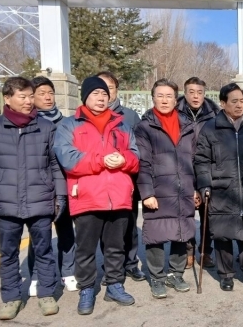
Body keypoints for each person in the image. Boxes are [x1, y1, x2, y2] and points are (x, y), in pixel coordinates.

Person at [0, 76, 65, 320]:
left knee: (44, 250)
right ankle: (11, 298)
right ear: (7, 98)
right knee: (9, 253)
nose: (28, 101)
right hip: (6, 203)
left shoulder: (45, 127)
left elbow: (55, 165)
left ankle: (46, 294)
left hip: (40, 200)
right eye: (22, 96)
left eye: (29, 96)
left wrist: (61, 196)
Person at [53, 76, 140, 315]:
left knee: (115, 247)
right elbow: (68, 158)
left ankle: (114, 285)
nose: (101, 98)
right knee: (86, 248)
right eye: (95, 94)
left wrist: (125, 159)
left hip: (119, 196)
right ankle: (87, 288)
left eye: (104, 94)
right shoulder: (70, 125)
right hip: (88, 196)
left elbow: (135, 156)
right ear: (85, 97)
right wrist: (100, 160)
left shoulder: (122, 125)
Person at [194, 83, 243, 293]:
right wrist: (204, 185)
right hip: (221, 189)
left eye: (241, 101)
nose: (239, 105)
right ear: (223, 103)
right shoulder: (210, 128)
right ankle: (226, 275)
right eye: (234, 101)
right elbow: (201, 160)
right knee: (222, 234)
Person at [134, 79, 196, 299]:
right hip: (159, 190)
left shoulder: (188, 125)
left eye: (169, 96)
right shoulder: (144, 127)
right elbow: (143, 163)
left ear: (176, 99)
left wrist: (196, 187)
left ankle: (176, 274)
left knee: (181, 233)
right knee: (156, 235)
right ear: (153, 98)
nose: (164, 100)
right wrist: (147, 193)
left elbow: (194, 159)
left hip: (184, 188)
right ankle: (157, 278)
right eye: (160, 95)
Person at [26, 76, 76, 296]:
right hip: (37, 186)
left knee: (66, 230)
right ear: (32, 97)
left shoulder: (65, 122)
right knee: (39, 232)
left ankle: (68, 272)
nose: (47, 97)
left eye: (50, 93)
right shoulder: (27, 123)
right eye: (41, 93)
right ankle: (37, 275)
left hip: (63, 184)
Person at [96, 71, 146, 282]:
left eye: (111, 88)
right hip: (99, 183)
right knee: (105, 227)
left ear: (116, 91)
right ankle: (110, 265)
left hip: (126, 182)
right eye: (101, 88)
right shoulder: (87, 117)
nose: (106, 93)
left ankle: (131, 263)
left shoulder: (130, 116)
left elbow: (139, 150)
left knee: (128, 224)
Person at [177, 77, 220, 269]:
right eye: (192, 92)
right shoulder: (175, 113)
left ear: (205, 93)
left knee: (207, 214)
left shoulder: (214, 115)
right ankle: (188, 251)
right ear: (185, 93)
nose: (196, 96)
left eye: (200, 92)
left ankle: (206, 251)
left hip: (206, 168)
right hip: (182, 168)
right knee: (185, 213)